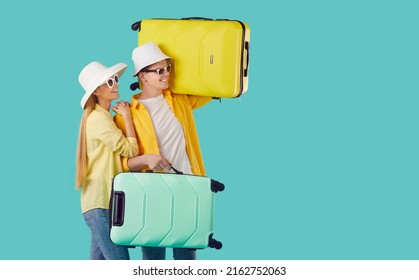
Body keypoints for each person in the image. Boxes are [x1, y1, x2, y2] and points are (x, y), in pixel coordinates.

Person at [114, 42, 212, 260]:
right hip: (152, 196)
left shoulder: (181, 99)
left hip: (188, 188)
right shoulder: (126, 115)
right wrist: (146, 159)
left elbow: (216, 87)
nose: (166, 74)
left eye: (167, 67)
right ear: (142, 76)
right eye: (159, 70)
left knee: (186, 260)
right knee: (153, 261)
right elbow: (120, 165)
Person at [75, 61, 138, 260]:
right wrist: (127, 116)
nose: (115, 84)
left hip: (100, 204)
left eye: (115, 79)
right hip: (101, 204)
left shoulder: (103, 118)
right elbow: (131, 150)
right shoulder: (99, 119)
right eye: (109, 82)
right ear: (97, 91)